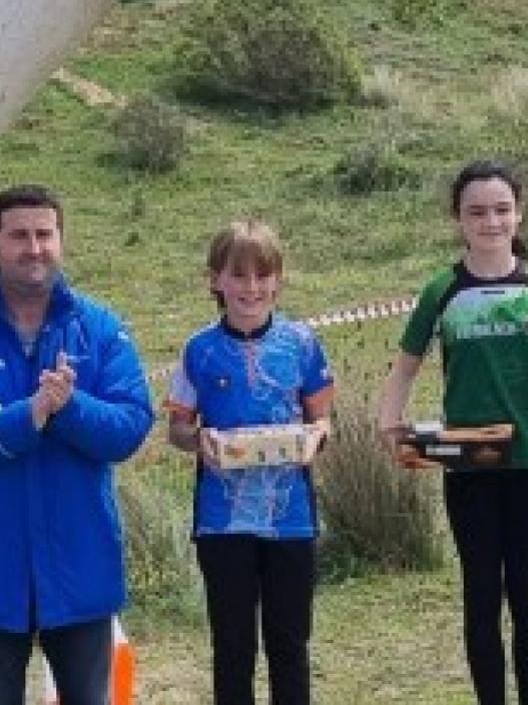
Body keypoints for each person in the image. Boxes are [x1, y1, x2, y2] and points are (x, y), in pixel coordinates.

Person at [0, 184, 154, 705]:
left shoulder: (102, 329)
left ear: (61, 240)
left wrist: (68, 407)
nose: (34, 247)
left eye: (45, 234)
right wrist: (30, 415)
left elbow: (131, 426)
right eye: (19, 235)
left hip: (80, 568)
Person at [376, 159, 528, 705]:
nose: (491, 222)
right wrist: (389, 426)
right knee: (481, 590)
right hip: (470, 461)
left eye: (502, 210)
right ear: (458, 219)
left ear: (520, 213)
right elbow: (407, 365)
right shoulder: (442, 289)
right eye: (478, 212)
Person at [164, 220, 335, 705]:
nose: (251, 288)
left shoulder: (302, 343)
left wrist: (313, 439)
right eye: (239, 276)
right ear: (216, 280)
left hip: (292, 521)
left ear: (278, 280)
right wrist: (201, 441)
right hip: (223, 523)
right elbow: (176, 429)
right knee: (233, 649)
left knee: (290, 646)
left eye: (263, 276)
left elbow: (323, 420)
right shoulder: (198, 350)